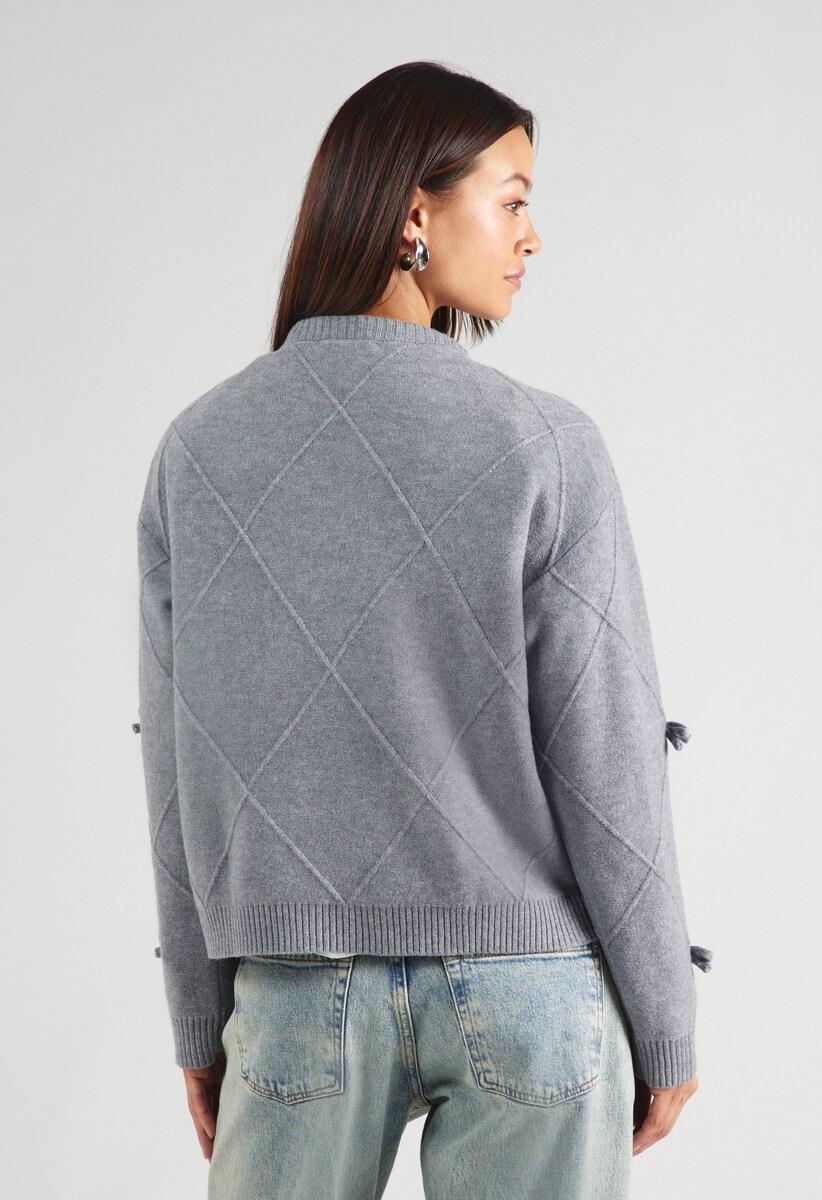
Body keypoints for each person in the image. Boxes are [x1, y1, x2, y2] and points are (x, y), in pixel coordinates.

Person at [135, 60, 712, 1199]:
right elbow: (606, 756)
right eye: (512, 199)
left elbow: (179, 768)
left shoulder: (198, 451)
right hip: (531, 990)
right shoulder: (544, 445)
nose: (532, 236)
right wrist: (665, 1018)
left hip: (296, 992)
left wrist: (199, 1017)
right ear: (415, 213)